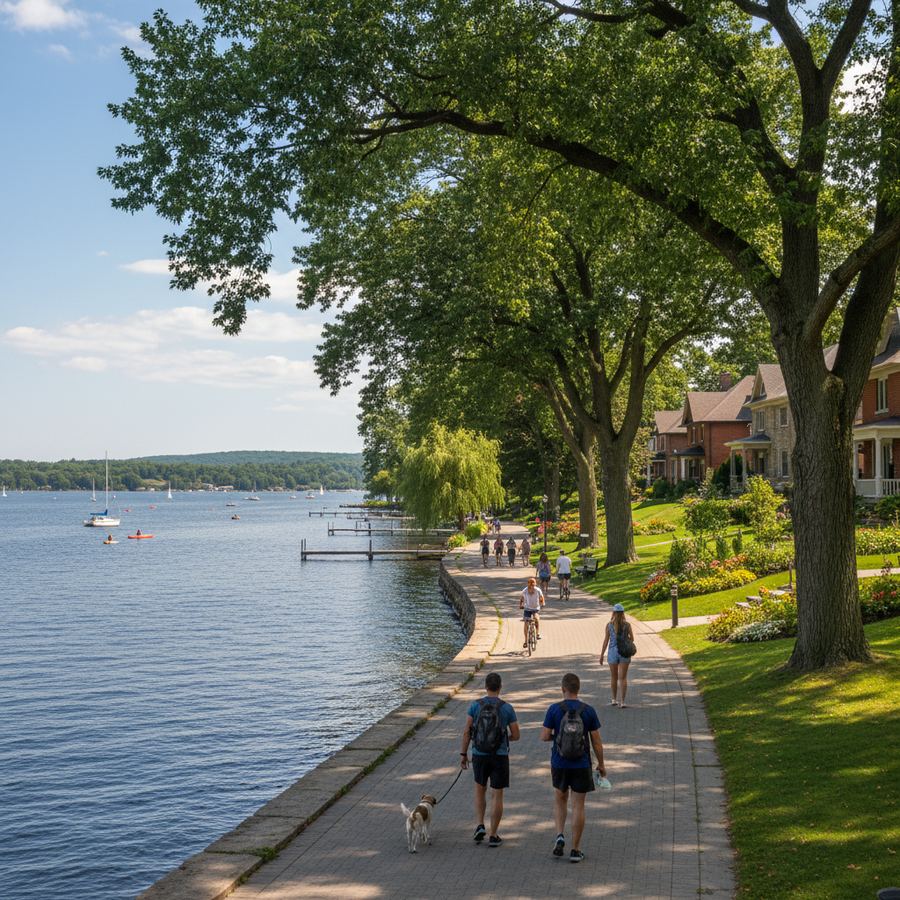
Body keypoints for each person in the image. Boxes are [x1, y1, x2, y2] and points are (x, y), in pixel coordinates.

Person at [541, 672, 606, 863]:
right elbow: (596, 741)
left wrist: (559, 738)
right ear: (579, 689)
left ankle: (560, 835)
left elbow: (544, 736)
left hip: (559, 763)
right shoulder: (588, 710)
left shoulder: (554, 709)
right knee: (578, 805)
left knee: (560, 799)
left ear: (563, 689)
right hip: (581, 763)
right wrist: (601, 764)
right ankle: (576, 850)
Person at [460, 672, 520, 847]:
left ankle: (480, 825)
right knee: (497, 794)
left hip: (479, 754)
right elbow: (516, 735)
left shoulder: (475, 706)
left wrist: (463, 754)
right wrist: (503, 738)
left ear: (485, 687)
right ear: (500, 688)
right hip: (499, 756)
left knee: (480, 789)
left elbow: (467, 732)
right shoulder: (507, 708)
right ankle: (493, 834)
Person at [600, 603, 634, 707]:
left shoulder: (609, 625)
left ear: (613, 613)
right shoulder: (627, 625)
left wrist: (601, 654)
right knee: (623, 678)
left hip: (612, 652)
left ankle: (614, 699)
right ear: (623, 613)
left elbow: (606, 641)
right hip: (624, 652)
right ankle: (622, 701)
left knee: (613, 677)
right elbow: (632, 638)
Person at [519, 576, 545, 646]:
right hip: (527, 608)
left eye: (533, 585)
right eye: (530, 585)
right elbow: (521, 599)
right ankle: (526, 641)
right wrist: (521, 605)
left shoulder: (538, 590)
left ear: (535, 584)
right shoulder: (525, 591)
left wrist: (542, 603)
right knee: (526, 623)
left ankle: (537, 634)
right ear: (528, 584)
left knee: (536, 618)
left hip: (535, 608)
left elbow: (541, 598)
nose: (532, 587)